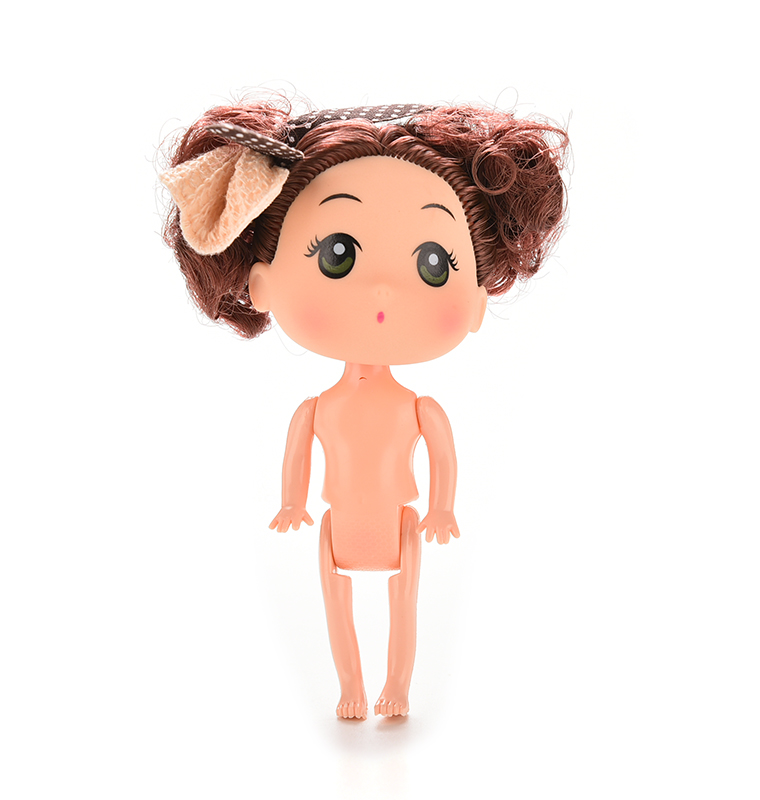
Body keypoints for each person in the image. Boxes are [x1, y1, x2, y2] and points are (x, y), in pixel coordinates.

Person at [160, 97, 569, 718]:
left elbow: (442, 456)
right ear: (263, 284)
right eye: (338, 254)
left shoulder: (419, 407)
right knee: (337, 604)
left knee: (403, 605)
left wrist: (442, 508)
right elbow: (298, 460)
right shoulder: (316, 409)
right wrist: (292, 502)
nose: (382, 288)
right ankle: (351, 686)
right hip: (334, 526)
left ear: (477, 302)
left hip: (403, 525)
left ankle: (397, 685)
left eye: (434, 263)